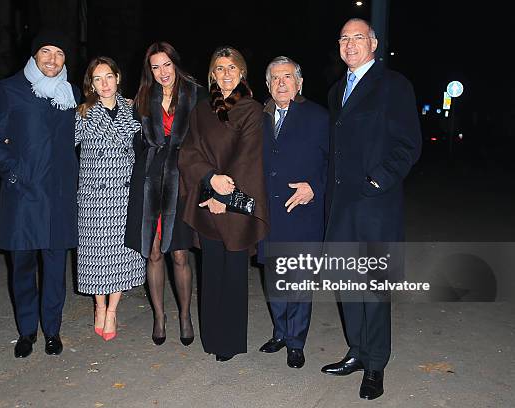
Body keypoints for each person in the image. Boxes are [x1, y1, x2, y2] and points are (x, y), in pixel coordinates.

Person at [321, 18, 422, 400]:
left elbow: (409, 144)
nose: (350, 44)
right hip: (342, 207)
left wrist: (378, 180)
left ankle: (376, 364)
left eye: (357, 37)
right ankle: (357, 352)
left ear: (373, 44)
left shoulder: (394, 85)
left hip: (376, 205)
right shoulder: (335, 91)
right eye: (344, 38)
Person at [0, 30, 80, 358]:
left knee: (55, 269)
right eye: (46, 52)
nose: (52, 59)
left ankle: (52, 330)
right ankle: (27, 331)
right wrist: (15, 171)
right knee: (22, 267)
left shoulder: (72, 93)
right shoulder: (9, 89)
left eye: (59, 53)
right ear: (34, 55)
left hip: (59, 197)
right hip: (23, 196)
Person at [178, 46, 269, 361]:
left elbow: (248, 159)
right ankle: (212, 337)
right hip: (207, 200)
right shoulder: (201, 110)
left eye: (232, 67)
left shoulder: (253, 110)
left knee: (233, 274)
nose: (226, 74)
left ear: (242, 72)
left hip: (235, 205)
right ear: (212, 74)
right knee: (211, 272)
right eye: (220, 68)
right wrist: (209, 181)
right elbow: (189, 153)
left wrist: (223, 196)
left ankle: (229, 342)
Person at [125, 42, 204, 346]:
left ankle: (185, 315)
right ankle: (159, 316)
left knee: (181, 253)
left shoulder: (195, 94)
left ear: (175, 64)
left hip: (182, 180)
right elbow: (130, 136)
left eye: (166, 65)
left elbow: (212, 131)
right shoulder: (143, 98)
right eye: (155, 67)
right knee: (154, 251)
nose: (162, 72)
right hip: (149, 181)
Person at [258, 56, 328, 369]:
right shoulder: (258, 116)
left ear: (299, 83)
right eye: (275, 78)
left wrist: (315, 186)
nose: (281, 83)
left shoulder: (318, 117)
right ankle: (280, 332)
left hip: (302, 211)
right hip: (269, 213)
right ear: (268, 84)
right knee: (274, 279)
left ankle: (296, 342)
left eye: (288, 77)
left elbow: (335, 163)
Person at [75, 57, 145, 341]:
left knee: (119, 257)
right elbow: (58, 146)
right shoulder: (83, 113)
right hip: (94, 198)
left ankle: (112, 310)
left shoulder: (132, 110)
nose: (104, 84)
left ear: (117, 78)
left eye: (108, 77)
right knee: (96, 257)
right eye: (97, 79)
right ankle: (98, 305)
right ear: (91, 84)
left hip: (125, 196)